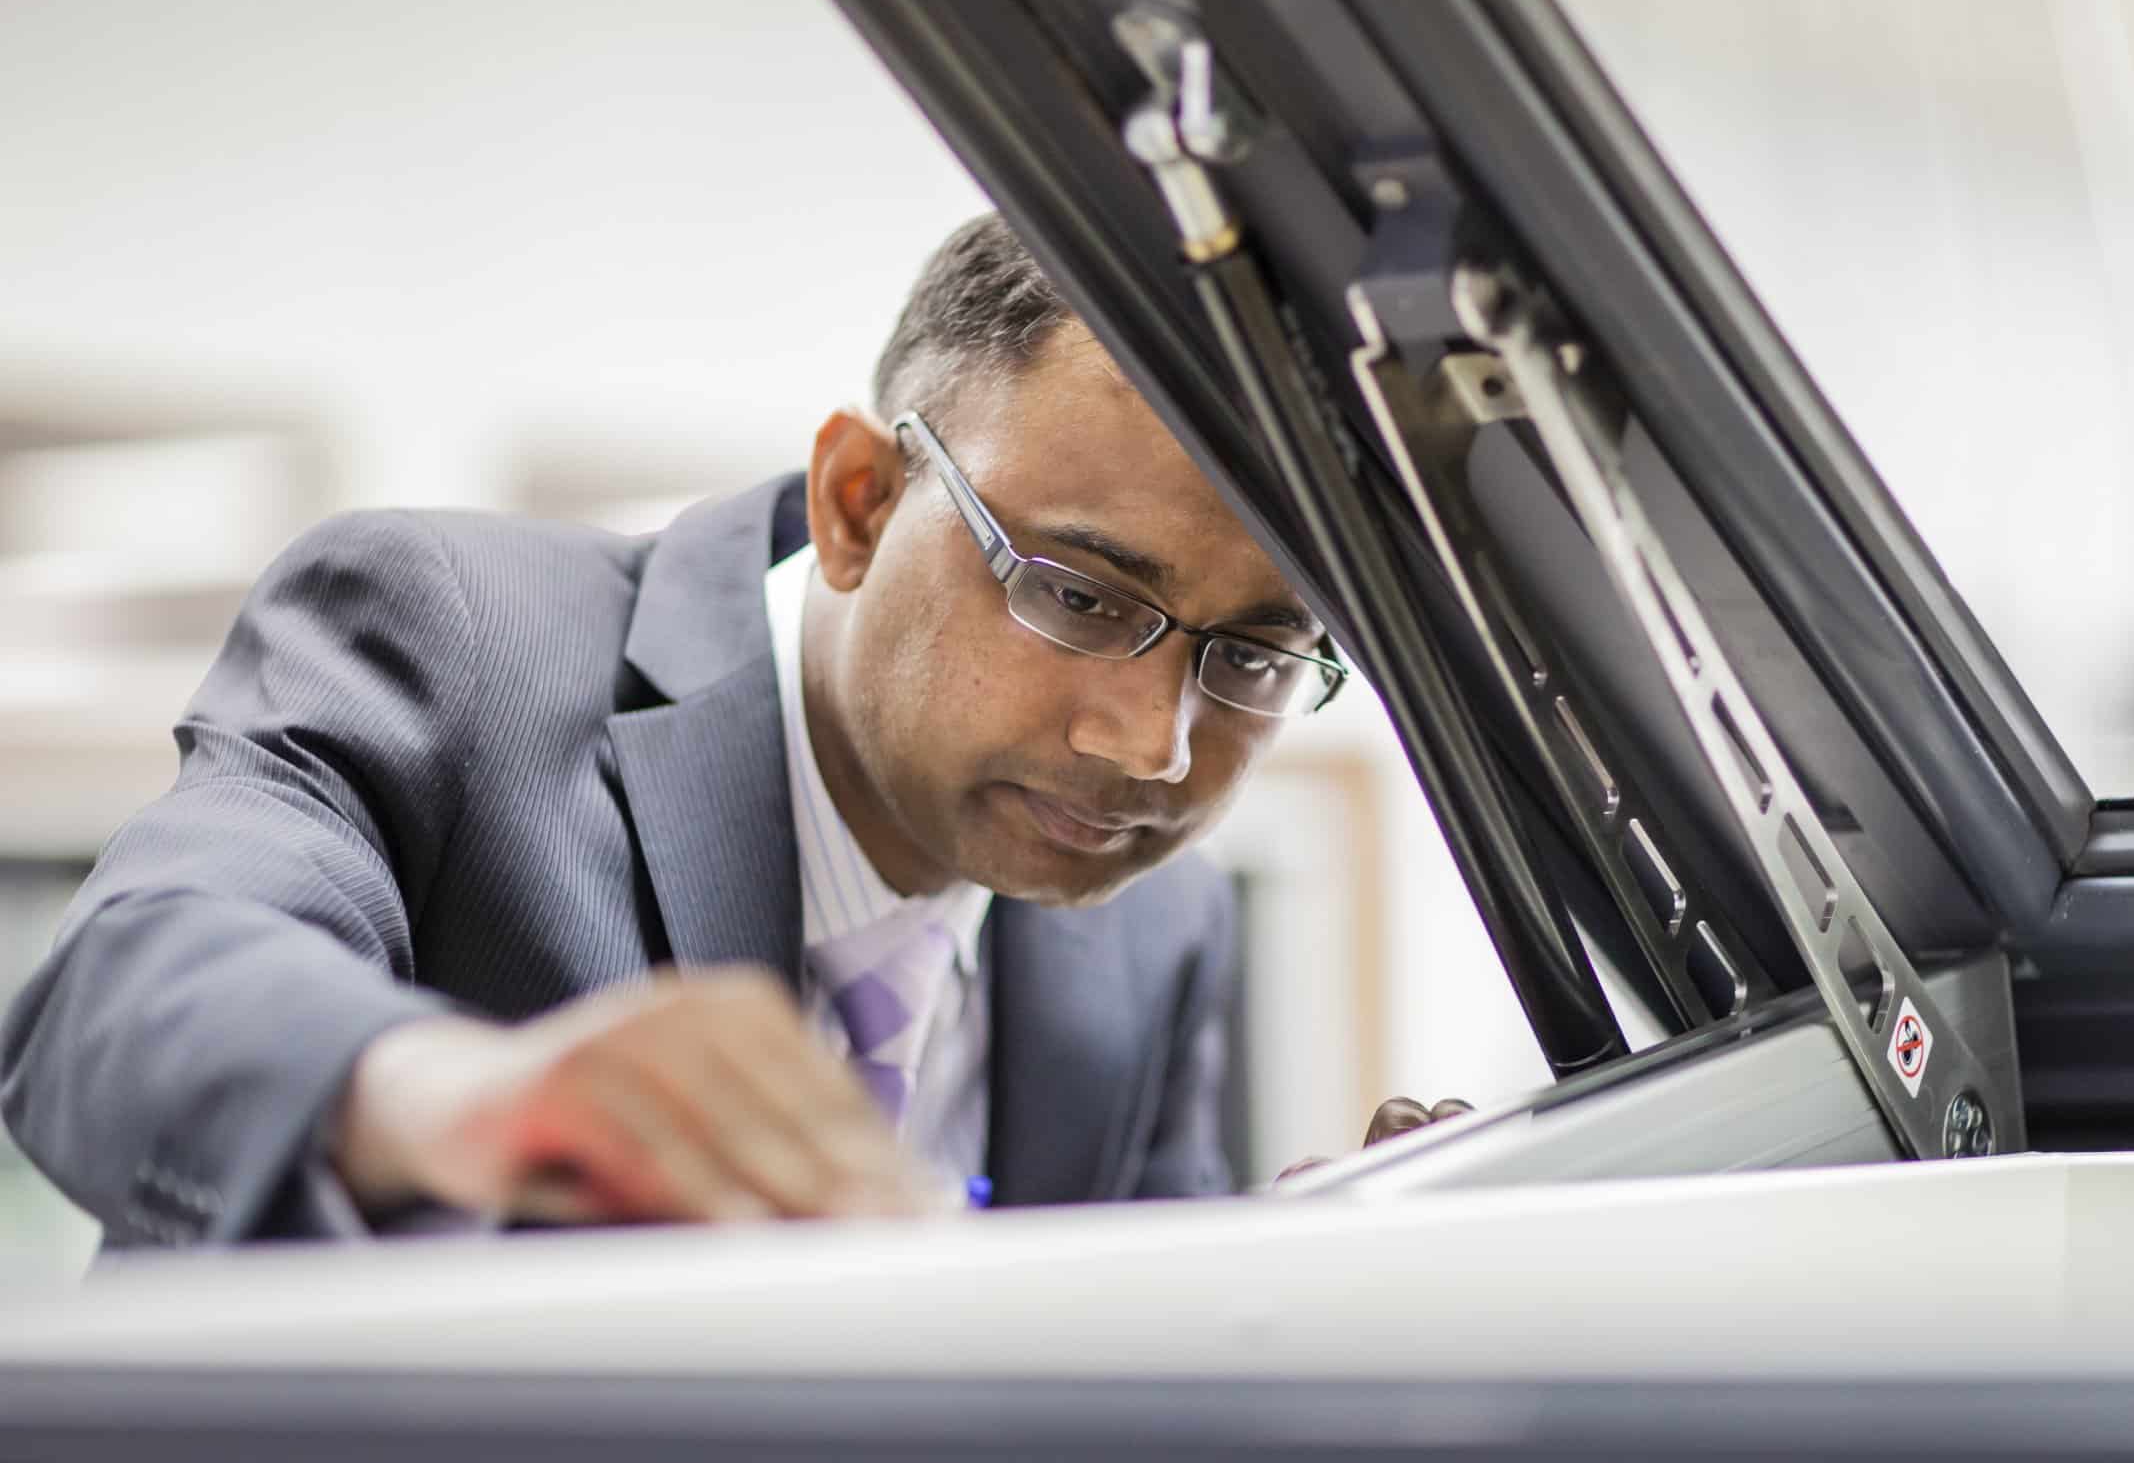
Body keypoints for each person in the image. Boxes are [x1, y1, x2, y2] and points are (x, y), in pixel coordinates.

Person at [0, 214, 1460, 1246]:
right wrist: (464, 1096)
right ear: (859, 505)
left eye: (1260, 654)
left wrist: (1294, 1287)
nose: (1151, 746)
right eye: (1079, 598)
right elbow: (121, 989)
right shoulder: (449, 638)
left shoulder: (1160, 929)